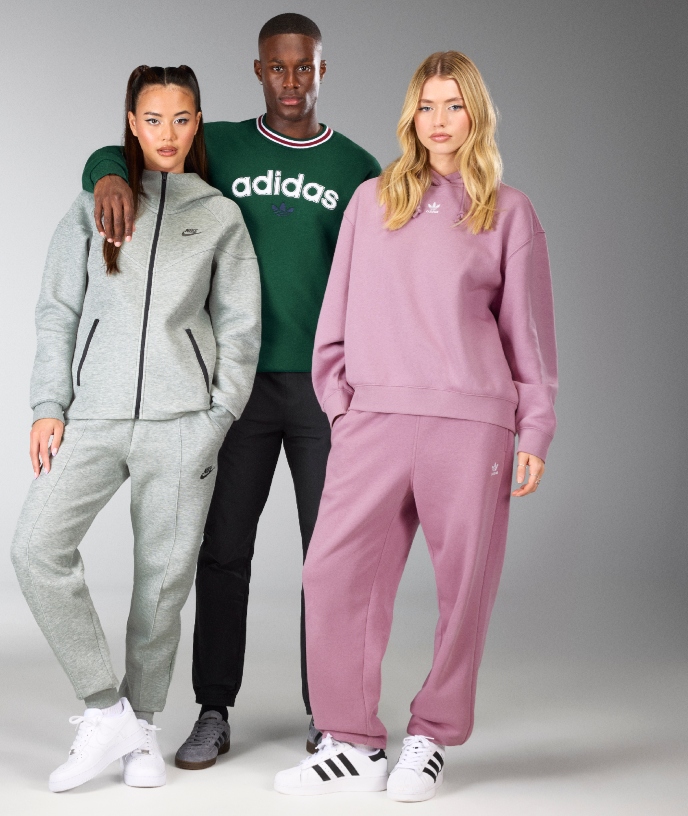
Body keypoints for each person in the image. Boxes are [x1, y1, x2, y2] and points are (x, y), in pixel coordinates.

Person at [82, 14, 381, 769]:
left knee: (330, 557)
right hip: (231, 384)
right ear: (258, 71)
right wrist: (106, 176)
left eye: (304, 67)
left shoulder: (357, 167)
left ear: (322, 70)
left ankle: (331, 714)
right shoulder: (221, 145)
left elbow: (378, 279)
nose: (291, 81)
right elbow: (133, 149)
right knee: (222, 552)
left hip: (323, 391)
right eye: (278, 67)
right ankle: (213, 708)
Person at [274, 51, 558, 801]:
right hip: (374, 418)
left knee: (465, 588)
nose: (439, 121)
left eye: (454, 106)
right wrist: (342, 402)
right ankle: (351, 742)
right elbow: (335, 314)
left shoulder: (509, 212)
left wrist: (534, 428)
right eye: (427, 106)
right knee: (331, 572)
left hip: (471, 424)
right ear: (411, 115)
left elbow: (527, 333)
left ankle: (431, 735)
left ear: (476, 116)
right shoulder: (372, 202)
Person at [10, 64, 260, 793]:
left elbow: (240, 325)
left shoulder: (218, 215)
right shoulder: (94, 202)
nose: (167, 135)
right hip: (94, 416)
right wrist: (48, 405)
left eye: (181, 119)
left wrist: (218, 414)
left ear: (197, 122)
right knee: (36, 548)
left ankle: (142, 727)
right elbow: (58, 309)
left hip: (182, 425)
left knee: (162, 584)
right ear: (131, 122)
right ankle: (105, 707)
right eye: (153, 119)